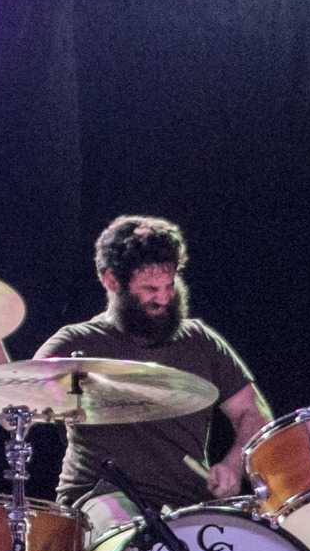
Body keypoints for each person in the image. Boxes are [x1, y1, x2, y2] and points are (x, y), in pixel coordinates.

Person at [36, 215, 271, 529]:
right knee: (138, 540)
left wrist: (232, 465)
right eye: (149, 289)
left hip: (185, 505)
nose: (163, 297)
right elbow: (15, 399)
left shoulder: (199, 341)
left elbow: (253, 414)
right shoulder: (77, 342)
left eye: (168, 285)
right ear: (111, 281)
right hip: (101, 499)